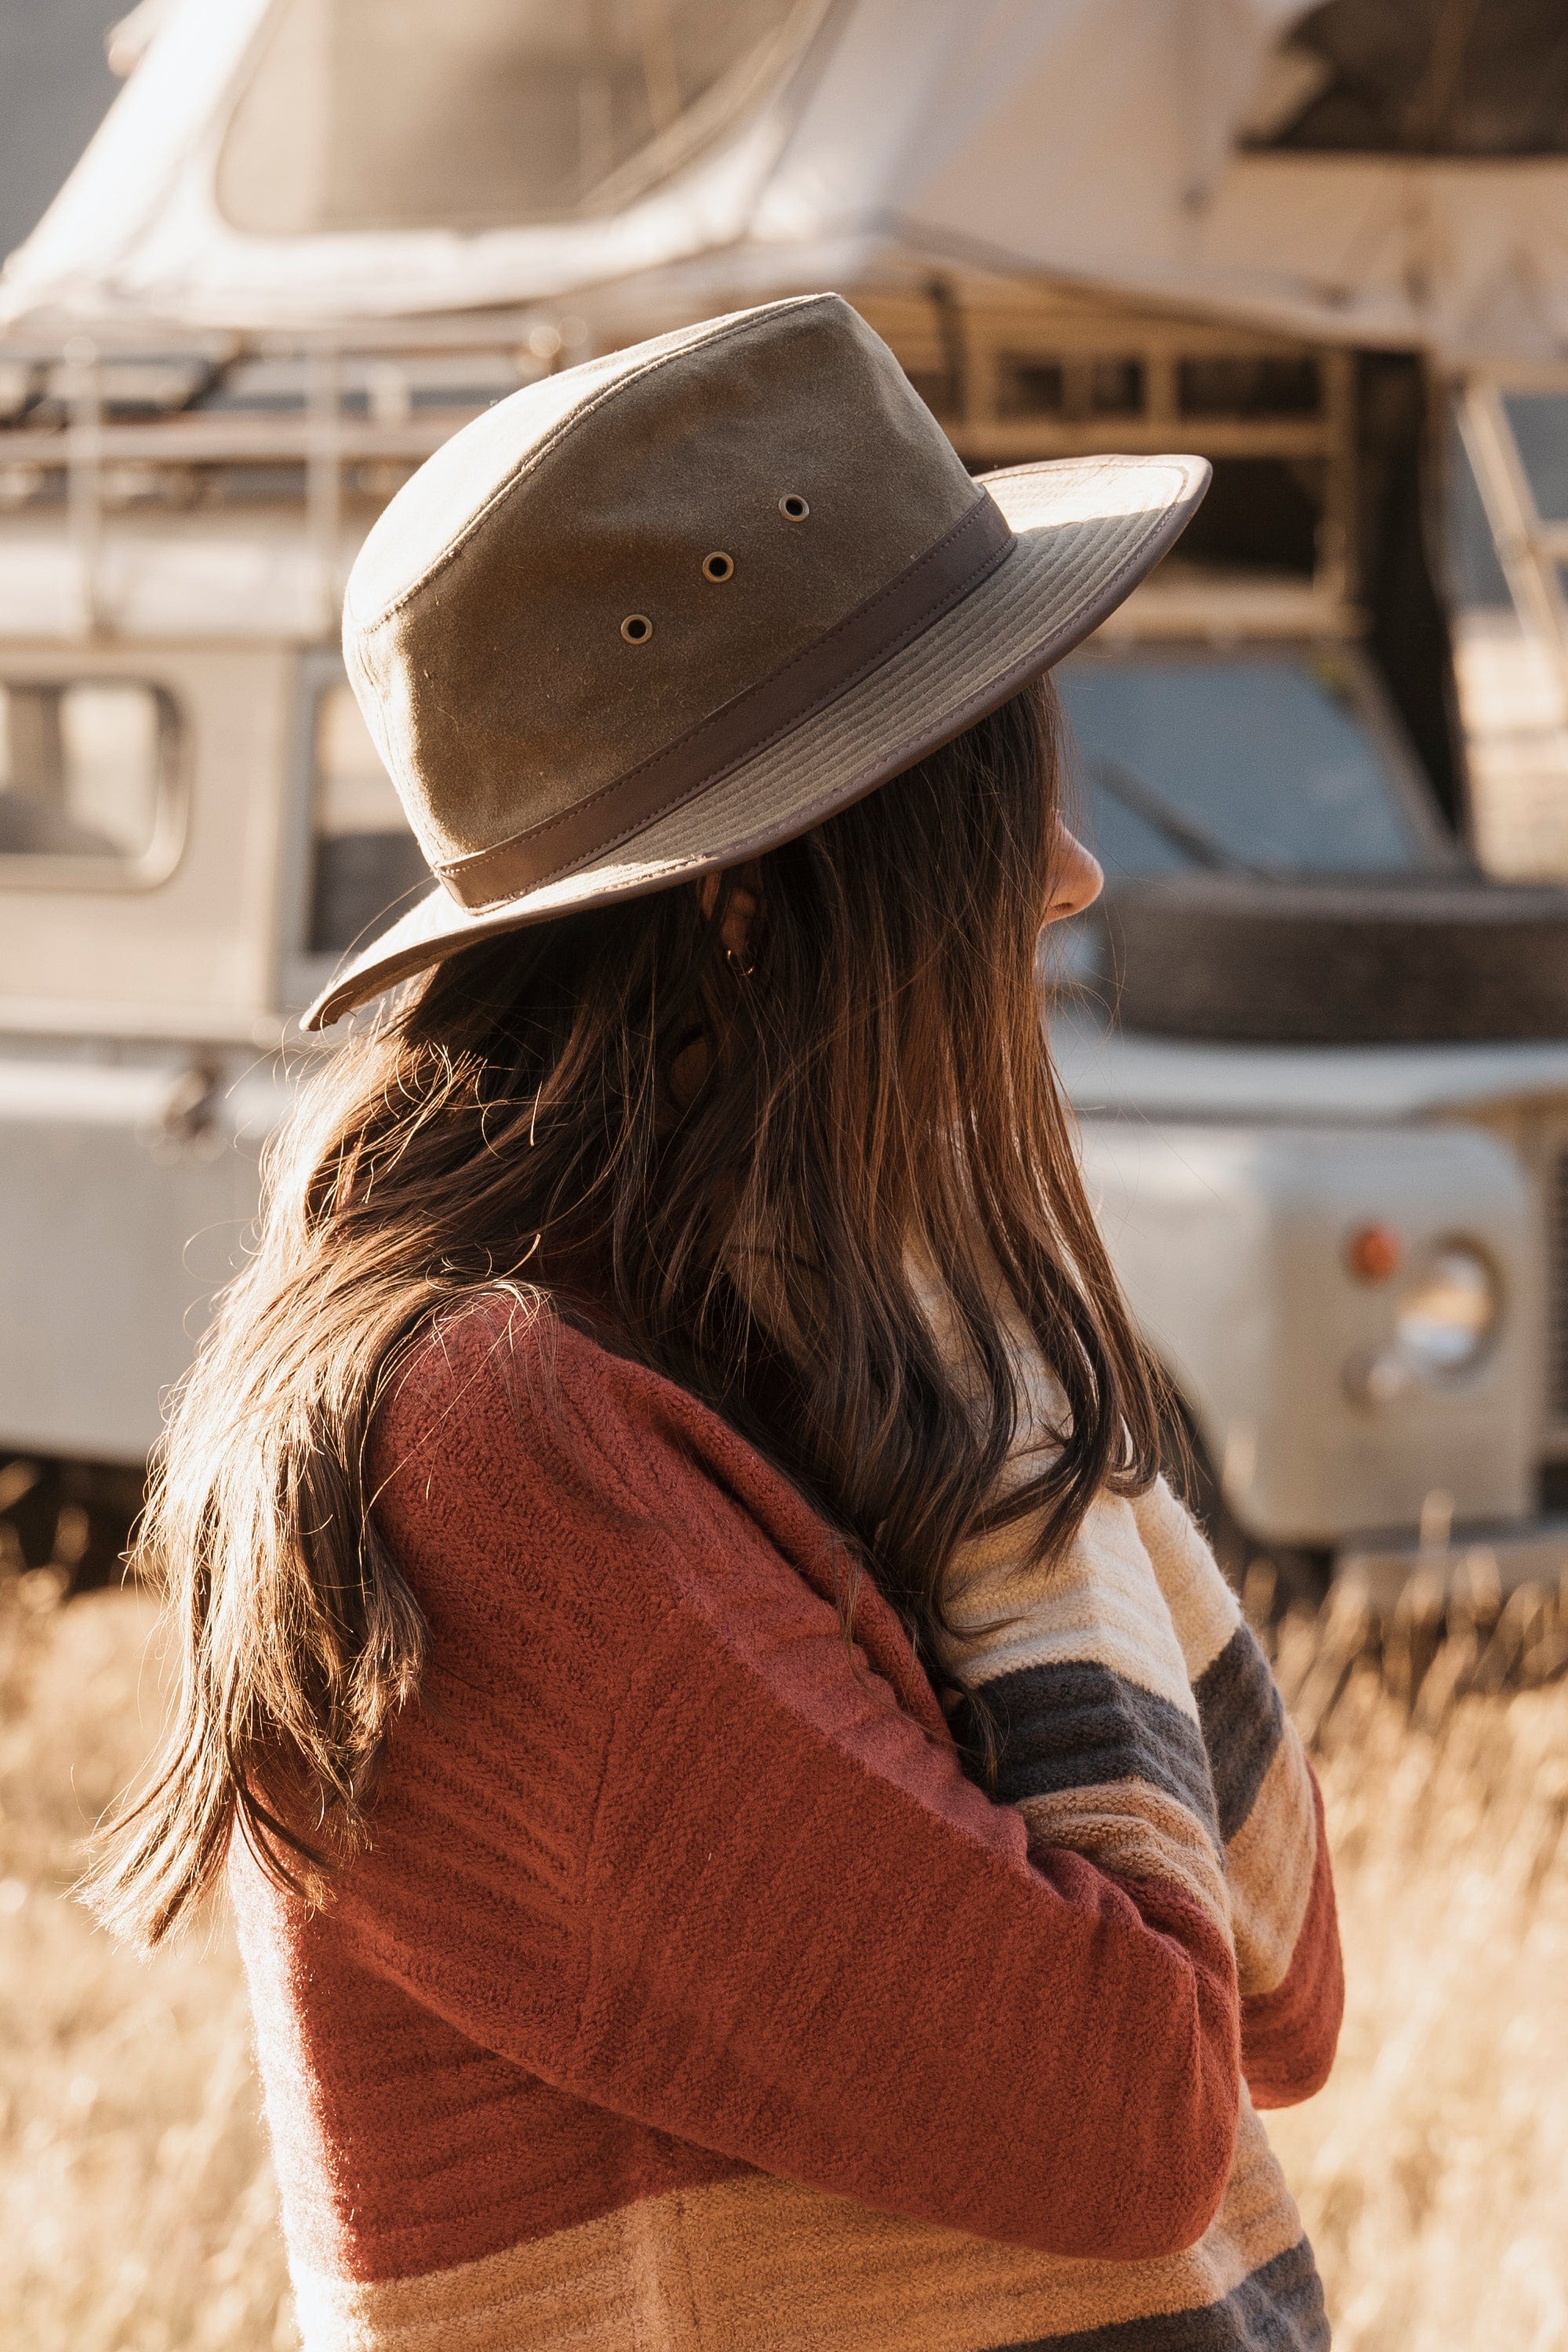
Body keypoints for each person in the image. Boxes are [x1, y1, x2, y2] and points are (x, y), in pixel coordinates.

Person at [92, 295, 1341, 2350]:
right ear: (752, 908)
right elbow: (1134, 2108)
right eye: (987, 804)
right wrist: (1013, 1405)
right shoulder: (478, 1447)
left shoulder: (787, 1339)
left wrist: (953, 1342)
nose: (1069, 876)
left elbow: (1290, 1977)